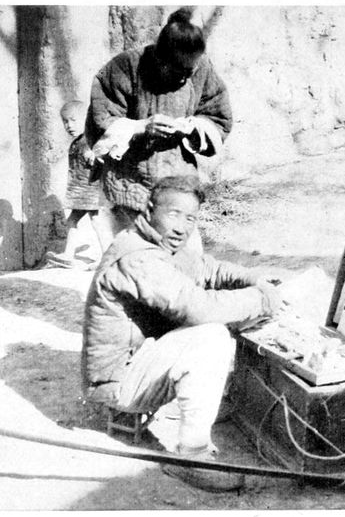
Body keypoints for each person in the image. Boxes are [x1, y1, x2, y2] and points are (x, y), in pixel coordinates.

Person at [82, 175, 283, 492]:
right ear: (149, 209)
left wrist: (253, 278)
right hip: (117, 382)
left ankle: (209, 405)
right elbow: (197, 308)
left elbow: (207, 269)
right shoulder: (137, 256)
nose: (182, 227)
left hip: (138, 360)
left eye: (190, 218)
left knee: (223, 321)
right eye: (174, 214)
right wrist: (261, 300)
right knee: (212, 335)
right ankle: (191, 457)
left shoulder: (160, 241)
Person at [85, 7, 232, 249]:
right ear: (160, 58)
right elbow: (100, 122)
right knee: (132, 258)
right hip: (130, 186)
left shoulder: (202, 69)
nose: (184, 78)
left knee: (184, 257)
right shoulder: (125, 67)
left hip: (178, 183)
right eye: (178, 70)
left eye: (190, 71)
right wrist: (141, 127)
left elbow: (218, 117)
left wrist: (192, 128)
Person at [46, 101, 115, 268]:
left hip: (90, 191)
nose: (69, 125)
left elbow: (104, 154)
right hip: (81, 191)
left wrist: (95, 154)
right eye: (65, 121)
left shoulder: (91, 141)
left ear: (86, 120)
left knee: (96, 220)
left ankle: (107, 256)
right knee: (73, 221)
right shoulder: (77, 142)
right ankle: (68, 254)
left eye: (73, 120)